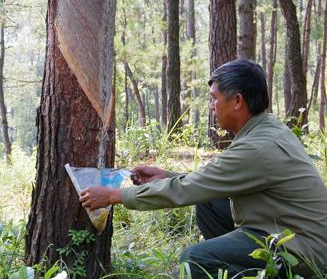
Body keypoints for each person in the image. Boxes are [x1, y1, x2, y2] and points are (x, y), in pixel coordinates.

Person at [79, 59, 327, 278]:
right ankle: (237, 261)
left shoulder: (256, 149)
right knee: (209, 203)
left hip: (303, 251)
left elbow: (187, 189)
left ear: (238, 101)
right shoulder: (268, 129)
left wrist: (115, 195)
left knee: (195, 261)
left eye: (214, 98)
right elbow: (209, 182)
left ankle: (262, 273)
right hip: (288, 230)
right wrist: (166, 176)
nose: (211, 107)